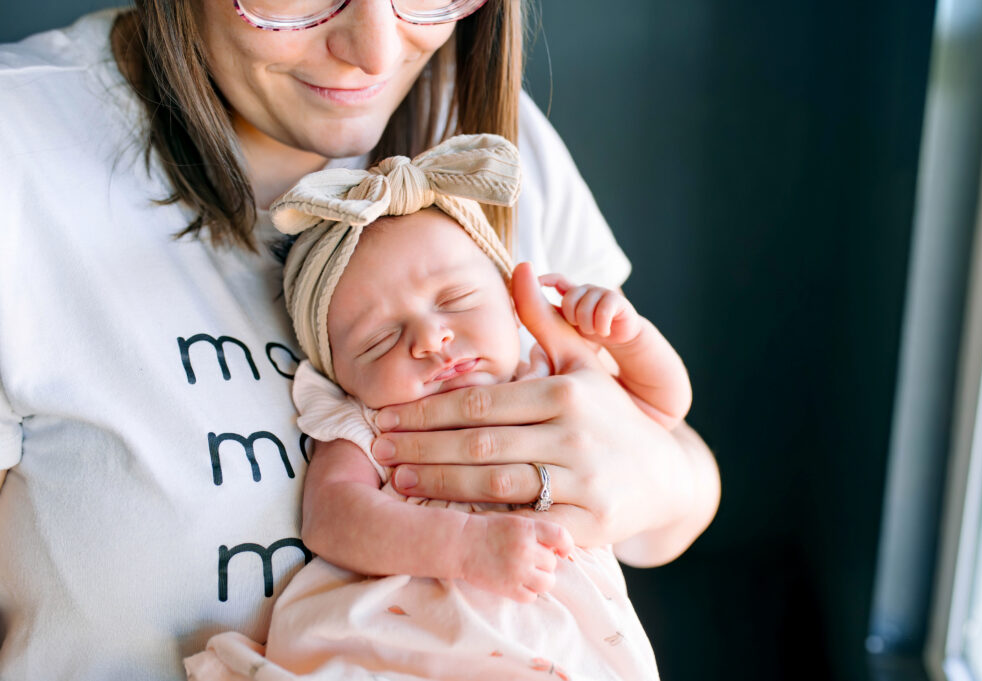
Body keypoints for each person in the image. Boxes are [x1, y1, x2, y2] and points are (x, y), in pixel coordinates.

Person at [0, 2, 721, 680]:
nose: (376, 50)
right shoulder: (23, 154)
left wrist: (657, 473)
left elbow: (673, 493)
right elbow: (338, 509)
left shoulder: (487, 139)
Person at [184, 134, 689, 680]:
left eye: (455, 301)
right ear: (341, 377)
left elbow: (661, 410)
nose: (430, 338)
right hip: (410, 652)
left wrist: (627, 336)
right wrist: (466, 546)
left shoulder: (548, 378)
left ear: (510, 299)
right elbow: (331, 519)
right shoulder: (376, 426)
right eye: (377, 341)